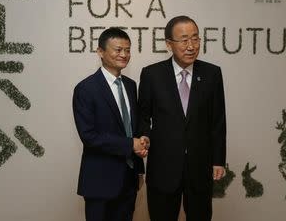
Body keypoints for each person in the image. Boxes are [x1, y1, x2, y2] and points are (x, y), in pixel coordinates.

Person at [138, 16, 226, 221]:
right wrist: (144, 136)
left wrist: (218, 160)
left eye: (195, 39)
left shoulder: (212, 74)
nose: (191, 46)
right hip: (163, 168)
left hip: (200, 167)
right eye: (184, 40)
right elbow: (143, 116)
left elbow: (218, 121)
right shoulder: (152, 74)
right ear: (169, 44)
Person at [72, 27, 149, 221]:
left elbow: (133, 126)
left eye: (128, 50)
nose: (124, 54)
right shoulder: (86, 89)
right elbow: (89, 136)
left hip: (129, 181)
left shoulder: (131, 86)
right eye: (118, 49)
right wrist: (130, 144)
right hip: (100, 181)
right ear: (100, 52)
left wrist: (142, 142)